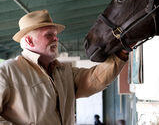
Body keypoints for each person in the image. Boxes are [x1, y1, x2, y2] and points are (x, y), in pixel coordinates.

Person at [0, 10, 128, 124]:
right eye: (49, 35)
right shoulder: (6, 72)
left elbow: (95, 79)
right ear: (29, 41)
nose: (56, 38)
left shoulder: (63, 71)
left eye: (55, 34)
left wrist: (122, 53)